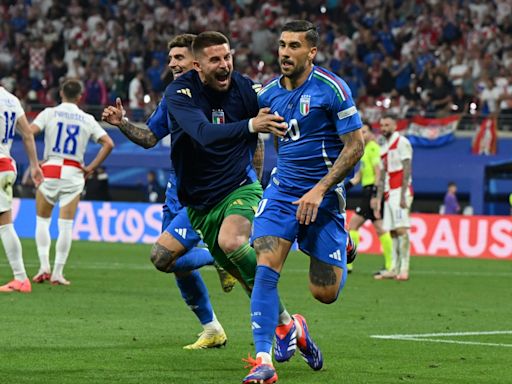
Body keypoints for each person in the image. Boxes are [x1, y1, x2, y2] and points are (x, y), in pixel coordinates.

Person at [243, 20, 364, 384]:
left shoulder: (331, 89)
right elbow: (251, 137)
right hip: (281, 193)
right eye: (282, 45)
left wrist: (320, 190)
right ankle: (264, 360)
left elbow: (355, 146)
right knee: (264, 267)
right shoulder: (266, 95)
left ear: (311, 52)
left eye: (294, 46)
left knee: (324, 293)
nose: (284, 52)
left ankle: (301, 319)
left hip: (323, 199)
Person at [164, 31, 296, 356]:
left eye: (228, 57)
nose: (225, 65)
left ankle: (266, 342)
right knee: (233, 270)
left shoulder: (246, 89)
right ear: (197, 65)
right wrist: (123, 124)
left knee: (233, 243)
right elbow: (203, 134)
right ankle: (286, 323)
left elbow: (277, 121)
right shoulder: (179, 93)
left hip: (239, 188)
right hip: (197, 202)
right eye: (215, 60)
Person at [102, 34, 236, 350]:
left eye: (178, 57)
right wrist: (122, 124)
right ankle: (212, 328)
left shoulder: (224, 93)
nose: (172, 63)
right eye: (170, 58)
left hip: (212, 190)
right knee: (173, 264)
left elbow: (252, 141)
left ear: (197, 61)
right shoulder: (172, 96)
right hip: (178, 190)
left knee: (164, 257)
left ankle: (222, 261)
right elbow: (150, 138)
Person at [30, 79, 114, 285]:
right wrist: (91, 167)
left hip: (50, 168)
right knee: (65, 225)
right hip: (74, 172)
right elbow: (108, 143)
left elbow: (29, 132)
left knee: (42, 221)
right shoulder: (86, 119)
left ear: (60, 94)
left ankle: (43, 267)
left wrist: (35, 161)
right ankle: (58, 273)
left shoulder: (49, 113)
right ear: (80, 96)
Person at [0, 86, 44, 293]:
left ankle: (20, 278)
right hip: (7, 165)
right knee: (5, 224)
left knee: (5, 225)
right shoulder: (12, 100)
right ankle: (20, 278)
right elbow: (27, 134)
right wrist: (34, 166)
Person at [344, 122, 393, 276]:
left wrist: (374, 195)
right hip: (368, 191)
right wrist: (345, 187)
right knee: (379, 228)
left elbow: (379, 173)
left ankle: (349, 264)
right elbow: (359, 176)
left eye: (365, 132)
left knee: (353, 225)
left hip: (371, 191)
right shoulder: (365, 150)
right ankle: (390, 264)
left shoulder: (373, 149)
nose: (362, 135)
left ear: (372, 133)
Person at [371, 115, 413, 281]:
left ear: (395, 126)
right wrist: (379, 199)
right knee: (394, 231)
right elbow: (382, 177)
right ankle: (394, 268)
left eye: (387, 125)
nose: (383, 128)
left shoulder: (402, 142)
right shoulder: (383, 147)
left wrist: (403, 195)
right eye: (382, 125)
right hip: (389, 193)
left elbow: (407, 168)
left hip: (399, 191)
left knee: (402, 229)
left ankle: (404, 268)